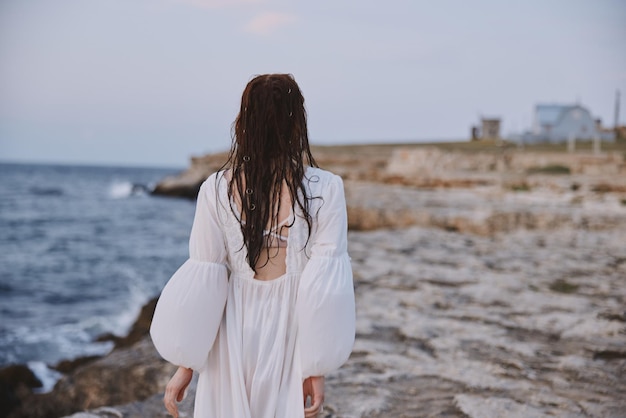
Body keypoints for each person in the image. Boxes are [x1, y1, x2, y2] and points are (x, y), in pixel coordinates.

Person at [150, 73, 356, 418]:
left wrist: (186, 365)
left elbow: (205, 280)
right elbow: (324, 288)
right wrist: (314, 366)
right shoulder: (326, 188)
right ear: (296, 123)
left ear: (244, 121)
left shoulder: (215, 188)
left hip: (233, 330)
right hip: (291, 330)